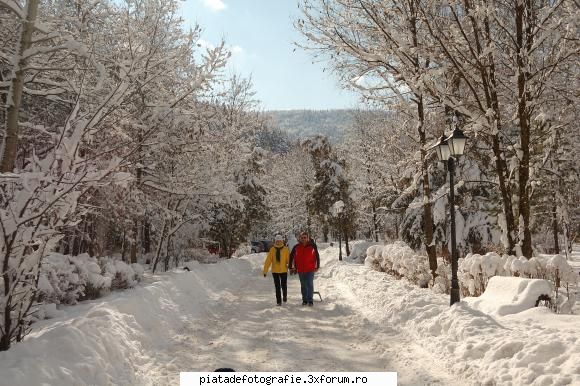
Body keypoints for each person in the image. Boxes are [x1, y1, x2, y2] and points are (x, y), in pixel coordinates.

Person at [289, 231, 320, 306]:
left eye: (305, 237)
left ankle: (310, 300)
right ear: (300, 238)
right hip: (300, 269)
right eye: (302, 238)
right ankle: (304, 300)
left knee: (309, 284)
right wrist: (290, 267)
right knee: (303, 285)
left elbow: (317, 256)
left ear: (307, 238)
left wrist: (317, 266)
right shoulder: (296, 247)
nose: (303, 239)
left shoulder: (312, 246)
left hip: (310, 269)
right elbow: (291, 257)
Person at [263, 234, 290, 306]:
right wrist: (265, 271)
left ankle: (284, 296)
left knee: (284, 285)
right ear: (275, 241)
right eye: (277, 241)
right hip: (275, 271)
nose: (278, 242)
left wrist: (291, 267)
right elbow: (268, 261)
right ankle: (278, 301)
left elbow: (289, 260)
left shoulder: (285, 249)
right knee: (277, 286)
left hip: (283, 270)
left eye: (279, 241)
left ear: (282, 241)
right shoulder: (272, 249)